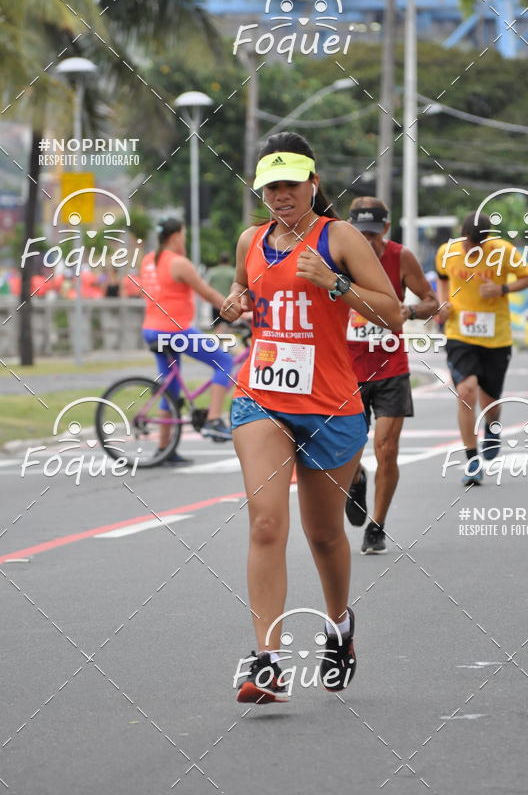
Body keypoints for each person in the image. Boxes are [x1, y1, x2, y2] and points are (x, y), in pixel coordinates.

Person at [220, 132, 404, 703]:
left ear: (313, 183)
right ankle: (266, 661)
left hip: (331, 406)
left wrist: (335, 282)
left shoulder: (340, 237)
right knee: (265, 525)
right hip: (263, 398)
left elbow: (394, 314)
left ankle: (339, 628)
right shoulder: (251, 239)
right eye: (270, 186)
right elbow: (243, 289)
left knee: (324, 536)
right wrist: (233, 302)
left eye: (290, 184)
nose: (280, 195)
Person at [344, 197, 438, 555]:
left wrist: (410, 308)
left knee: (387, 448)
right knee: (349, 448)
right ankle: (355, 479)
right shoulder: (338, 256)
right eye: (360, 233)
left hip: (391, 367)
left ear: (385, 228)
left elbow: (432, 300)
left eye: (372, 233)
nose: (366, 241)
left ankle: (377, 526)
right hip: (348, 369)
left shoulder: (400, 257)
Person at [436, 211, 528, 485]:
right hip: (460, 332)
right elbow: (443, 278)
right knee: (466, 391)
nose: (473, 249)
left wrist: (502, 289)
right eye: (469, 244)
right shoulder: (447, 251)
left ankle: (493, 426)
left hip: (496, 336)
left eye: (478, 245)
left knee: (490, 403)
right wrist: (444, 304)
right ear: (462, 236)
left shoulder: (503, 251)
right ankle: (472, 460)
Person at [140, 217, 234, 458]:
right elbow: (207, 293)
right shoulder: (179, 263)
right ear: (176, 237)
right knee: (224, 361)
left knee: (170, 389)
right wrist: (238, 314)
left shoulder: (148, 260)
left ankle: (164, 449)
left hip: (151, 329)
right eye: (184, 235)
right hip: (174, 330)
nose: (185, 240)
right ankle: (214, 419)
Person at [206, 252, 236, 330]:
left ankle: (217, 341)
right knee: (229, 327)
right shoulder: (232, 272)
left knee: (217, 326)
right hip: (228, 303)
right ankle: (228, 341)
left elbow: (208, 286)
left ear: (219, 260)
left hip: (216, 303)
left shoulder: (213, 272)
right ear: (229, 261)